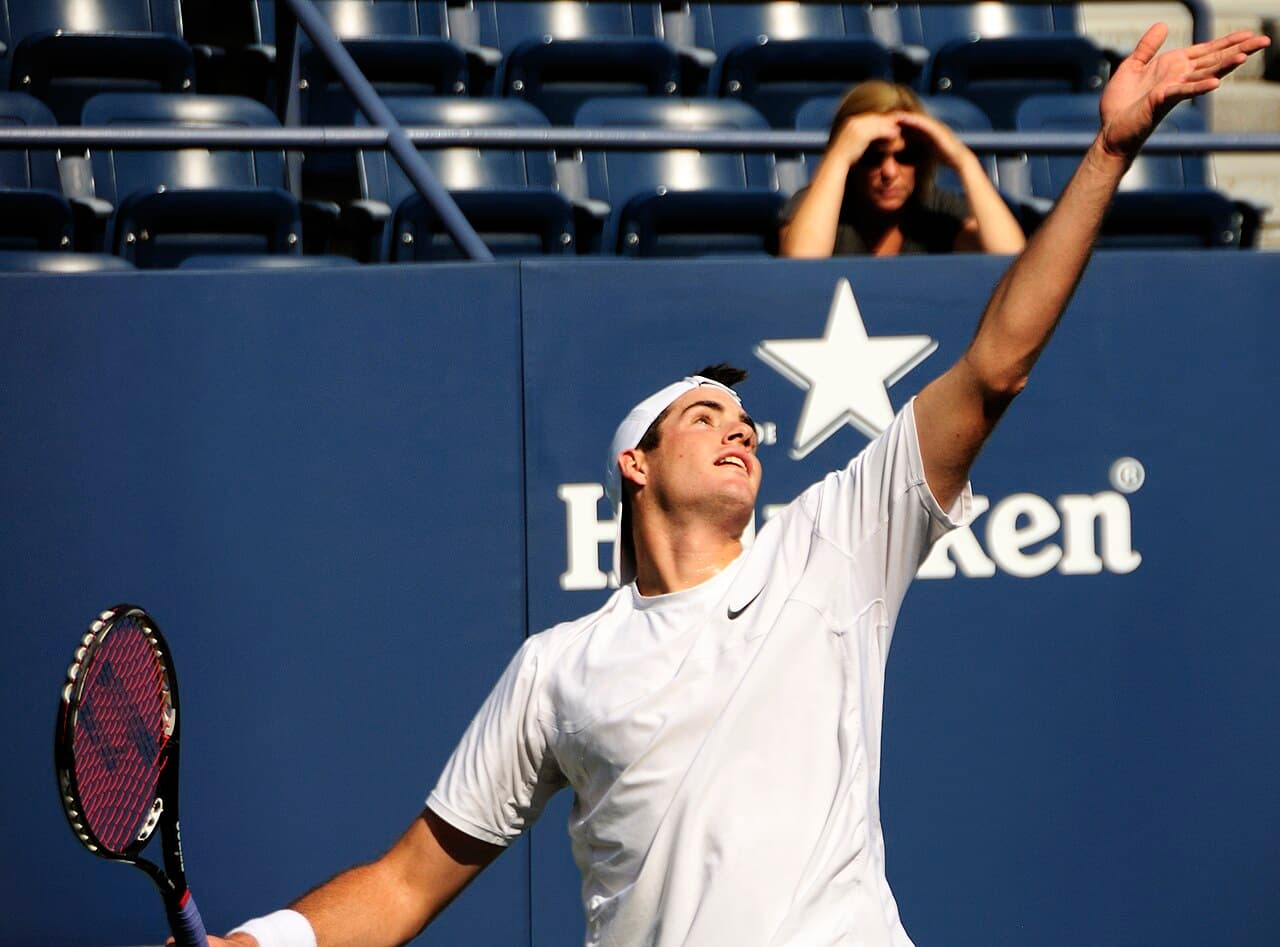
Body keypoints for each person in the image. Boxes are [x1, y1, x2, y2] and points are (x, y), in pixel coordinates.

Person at [211, 24, 1268, 947]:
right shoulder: (554, 668)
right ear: (633, 462)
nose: (739, 431)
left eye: (747, 422)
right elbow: (401, 885)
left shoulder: (834, 543)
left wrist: (1106, 152)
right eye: (702, 416)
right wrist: (258, 941)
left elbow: (996, 365)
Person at [778, 80, 1027, 258]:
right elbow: (802, 263)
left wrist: (964, 161)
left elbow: (1011, 260)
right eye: (872, 157)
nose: (889, 172)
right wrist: (838, 156)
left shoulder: (936, 210)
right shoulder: (814, 207)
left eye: (906, 156)